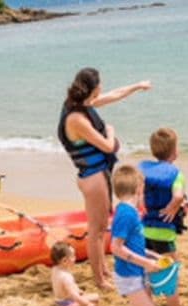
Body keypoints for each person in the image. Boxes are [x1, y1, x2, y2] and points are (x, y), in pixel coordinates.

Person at [58, 67, 151, 291]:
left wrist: (137, 86)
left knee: (100, 229)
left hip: (95, 175)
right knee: (96, 231)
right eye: (101, 85)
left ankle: (103, 270)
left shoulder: (81, 104)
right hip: (92, 178)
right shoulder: (77, 118)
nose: (103, 90)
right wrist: (110, 130)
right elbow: (107, 145)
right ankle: (99, 280)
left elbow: (113, 95)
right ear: (94, 88)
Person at [109, 165, 171, 306]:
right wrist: (146, 263)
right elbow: (116, 247)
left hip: (136, 271)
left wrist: (151, 255)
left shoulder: (128, 212)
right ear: (138, 189)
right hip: (130, 275)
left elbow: (132, 243)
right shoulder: (127, 214)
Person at [138, 127, 188, 306]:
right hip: (164, 235)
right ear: (174, 152)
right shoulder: (176, 175)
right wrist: (173, 207)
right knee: (169, 280)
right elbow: (177, 196)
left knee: (147, 276)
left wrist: (143, 206)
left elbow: (138, 194)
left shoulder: (143, 171)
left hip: (144, 232)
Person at [50, 241, 99, 306]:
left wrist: (78, 290)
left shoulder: (55, 269)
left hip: (58, 301)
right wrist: (87, 304)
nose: (75, 258)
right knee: (96, 297)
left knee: (89, 297)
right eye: (73, 256)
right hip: (67, 304)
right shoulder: (66, 277)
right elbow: (74, 295)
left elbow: (64, 287)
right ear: (64, 261)